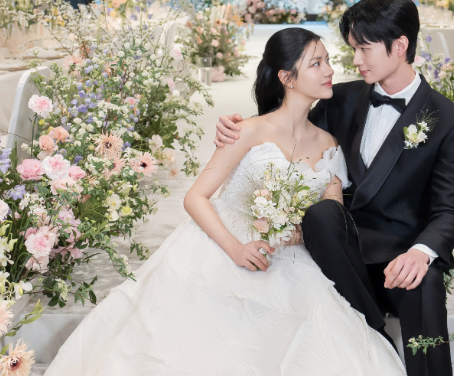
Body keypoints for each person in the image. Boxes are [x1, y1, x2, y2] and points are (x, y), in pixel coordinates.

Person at [45, 27, 406, 376]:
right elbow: (195, 197)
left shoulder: (329, 143)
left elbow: (333, 211)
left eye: (327, 60)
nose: (329, 71)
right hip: (225, 246)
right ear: (287, 78)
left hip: (293, 257)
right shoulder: (246, 130)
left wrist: (306, 226)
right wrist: (235, 249)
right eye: (316, 63)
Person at [215, 0, 454, 376]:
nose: (355, 60)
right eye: (352, 49)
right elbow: (286, 134)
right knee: (322, 213)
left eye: (364, 49)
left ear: (399, 46)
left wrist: (420, 253)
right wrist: (238, 129)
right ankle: (378, 344)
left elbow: (449, 210)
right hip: (335, 245)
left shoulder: (449, 120)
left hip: (397, 254)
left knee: (423, 283)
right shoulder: (340, 99)